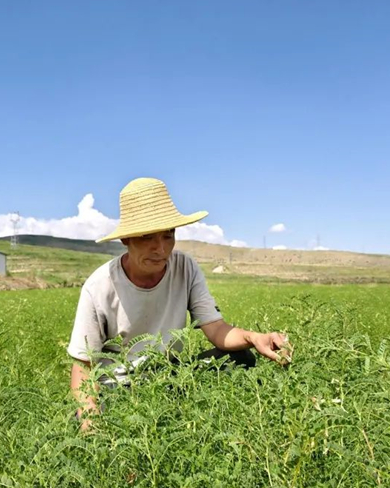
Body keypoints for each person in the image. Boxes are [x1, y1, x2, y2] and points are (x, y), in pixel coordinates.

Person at [68, 177, 292, 429]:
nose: (160, 248)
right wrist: (91, 420)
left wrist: (254, 338)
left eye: (168, 235)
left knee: (240, 357)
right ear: (126, 239)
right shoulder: (98, 286)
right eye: (147, 237)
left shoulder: (185, 267)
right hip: (118, 388)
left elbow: (216, 330)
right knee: (94, 420)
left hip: (171, 377)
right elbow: (83, 365)